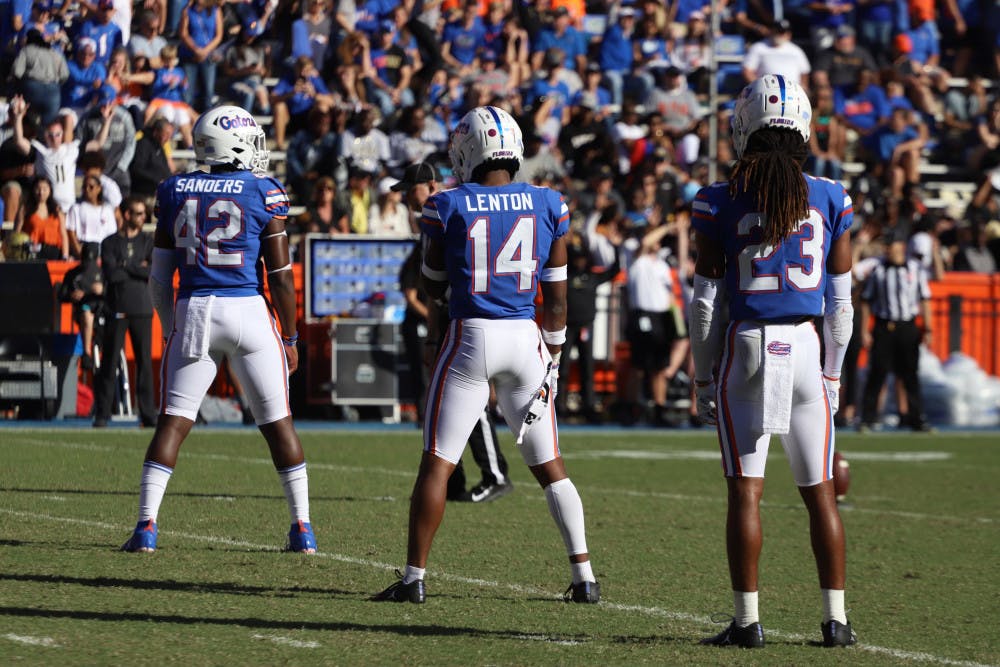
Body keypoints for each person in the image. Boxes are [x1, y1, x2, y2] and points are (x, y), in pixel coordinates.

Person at [373, 107, 599, 604]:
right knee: (551, 465)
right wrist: (555, 360)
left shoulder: (447, 204)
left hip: (471, 335)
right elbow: (556, 298)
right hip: (526, 339)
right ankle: (584, 576)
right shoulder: (549, 202)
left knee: (437, 463)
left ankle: (413, 579)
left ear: (466, 150)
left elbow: (432, 284)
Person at [689, 75, 856, 648]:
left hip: (747, 346)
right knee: (821, 493)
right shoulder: (831, 195)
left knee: (746, 493)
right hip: (806, 346)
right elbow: (841, 303)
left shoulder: (719, 197)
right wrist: (832, 372)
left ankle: (747, 622)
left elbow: (706, 300)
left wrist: (701, 375)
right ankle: (836, 621)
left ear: (744, 129)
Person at [120, 105, 317, 555]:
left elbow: (157, 277)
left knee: (173, 422)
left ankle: (146, 527)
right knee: (278, 423)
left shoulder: (175, 189)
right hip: (247, 309)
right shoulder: (262, 190)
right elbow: (282, 276)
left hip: (195, 308)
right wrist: (289, 337)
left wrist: (172, 328)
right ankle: (302, 528)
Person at [393, 160, 514, 504]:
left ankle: (495, 472)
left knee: (471, 400)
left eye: (409, 190)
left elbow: (440, 283)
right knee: (444, 402)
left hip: (468, 314)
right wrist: (432, 334)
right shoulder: (439, 211)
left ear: (430, 185)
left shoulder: (448, 207)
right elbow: (432, 288)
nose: (405, 198)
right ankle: (455, 478)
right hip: (453, 315)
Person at [858, 231, 934, 432]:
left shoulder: (915, 269)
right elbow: (866, 300)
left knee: (910, 374)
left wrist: (928, 328)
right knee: (877, 372)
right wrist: (865, 330)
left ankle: (916, 418)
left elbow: (925, 299)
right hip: (884, 325)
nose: (889, 250)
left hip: (907, 326)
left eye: (892, 246)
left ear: (901, 247)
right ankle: (867, 418)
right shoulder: (878, 270)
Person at [93, 197, 157, 428]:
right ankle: (102, 414)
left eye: (143, 214)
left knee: (144, 364)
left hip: (141, 308)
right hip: (117, 307)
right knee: (109, 362)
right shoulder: (110, 242)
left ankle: (148, 414)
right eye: (137, 213)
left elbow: (150, 270)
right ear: (126, 214)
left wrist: (125, 266)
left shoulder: (148, 241)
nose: (141, 218)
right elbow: (111, 274)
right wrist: (134, 267)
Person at [58, 241, 105, 371]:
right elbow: (61, 295)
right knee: (87, 314)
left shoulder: (103, 273)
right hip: (83, 310)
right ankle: (87, 352)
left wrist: (102, 290)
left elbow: (115, 293)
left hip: (102, 311)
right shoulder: (72, 274)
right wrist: (71, 296)